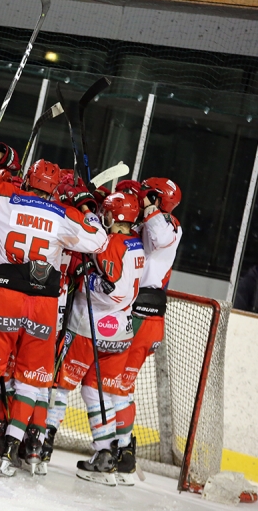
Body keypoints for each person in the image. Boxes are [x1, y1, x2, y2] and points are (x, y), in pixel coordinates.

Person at [0, 144, 110, 476]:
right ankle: (11, 446)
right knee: (31, 379)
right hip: (45, 304)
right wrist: (85, 205)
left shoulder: (7, 198)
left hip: (8, 293)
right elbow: (99, 241)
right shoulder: (64, 215)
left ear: (28, 180)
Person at [45, 190, 144, 485]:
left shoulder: (112, 243)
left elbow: (112, 289)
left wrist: (86, 276)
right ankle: (106, 454)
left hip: (90, 328)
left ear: (112, 217)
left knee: (60, 384)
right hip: (120, 332)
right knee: (96, 392)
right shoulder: (136, 244)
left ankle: (44, 441)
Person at [115, 177, 182, 485]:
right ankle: (119, 450)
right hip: (134, 311)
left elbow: (161, 235)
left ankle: (121, 452)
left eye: (147, 193)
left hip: (144, 315)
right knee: (113, 382)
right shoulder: (149, 223)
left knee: (118, 384)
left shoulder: (168, 226)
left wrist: (148, 205)